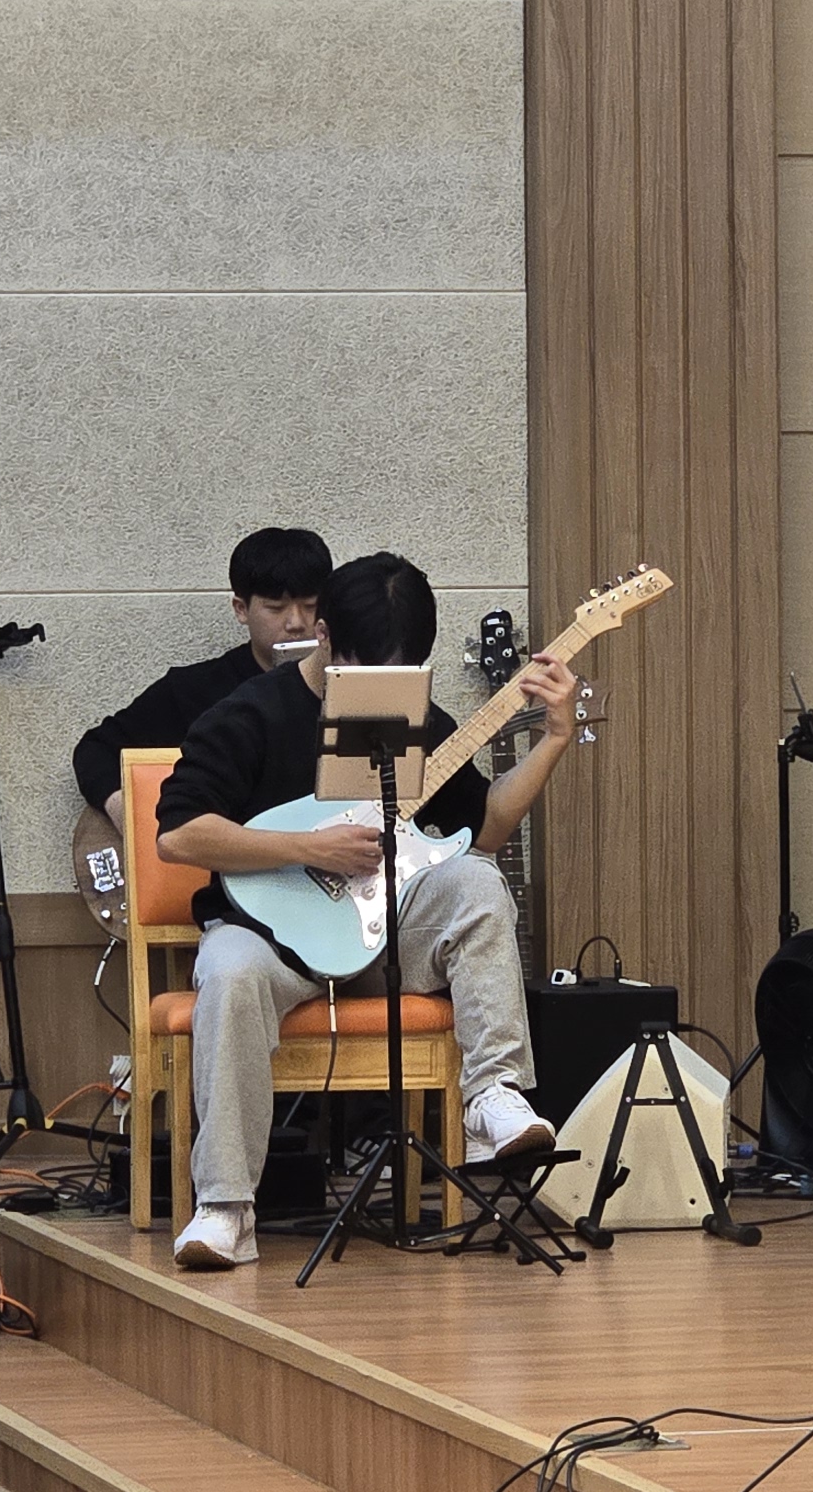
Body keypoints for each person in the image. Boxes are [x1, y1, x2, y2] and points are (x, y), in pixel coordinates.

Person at [152, 552, 574, 1271]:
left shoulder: (414, 717)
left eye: (401, 671)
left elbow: (486, 829)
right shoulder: (250, 715)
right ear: (322, 635)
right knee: (227, 970)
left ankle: (492, 1096)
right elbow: (180, 835)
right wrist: (306, 847)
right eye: (364, 666)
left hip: (383, 939)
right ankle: (226, 1207)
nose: (382, 684)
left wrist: (554, 738)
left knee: (477, 881)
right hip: (269, 939)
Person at [71, 527, 335, 848]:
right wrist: (129, 815)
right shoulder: (193, 689)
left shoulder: (347, 689)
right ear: (241, 609)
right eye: (275, 608)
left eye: (310, 605)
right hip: (219, 863)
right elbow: (95, 750)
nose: (296, 623)